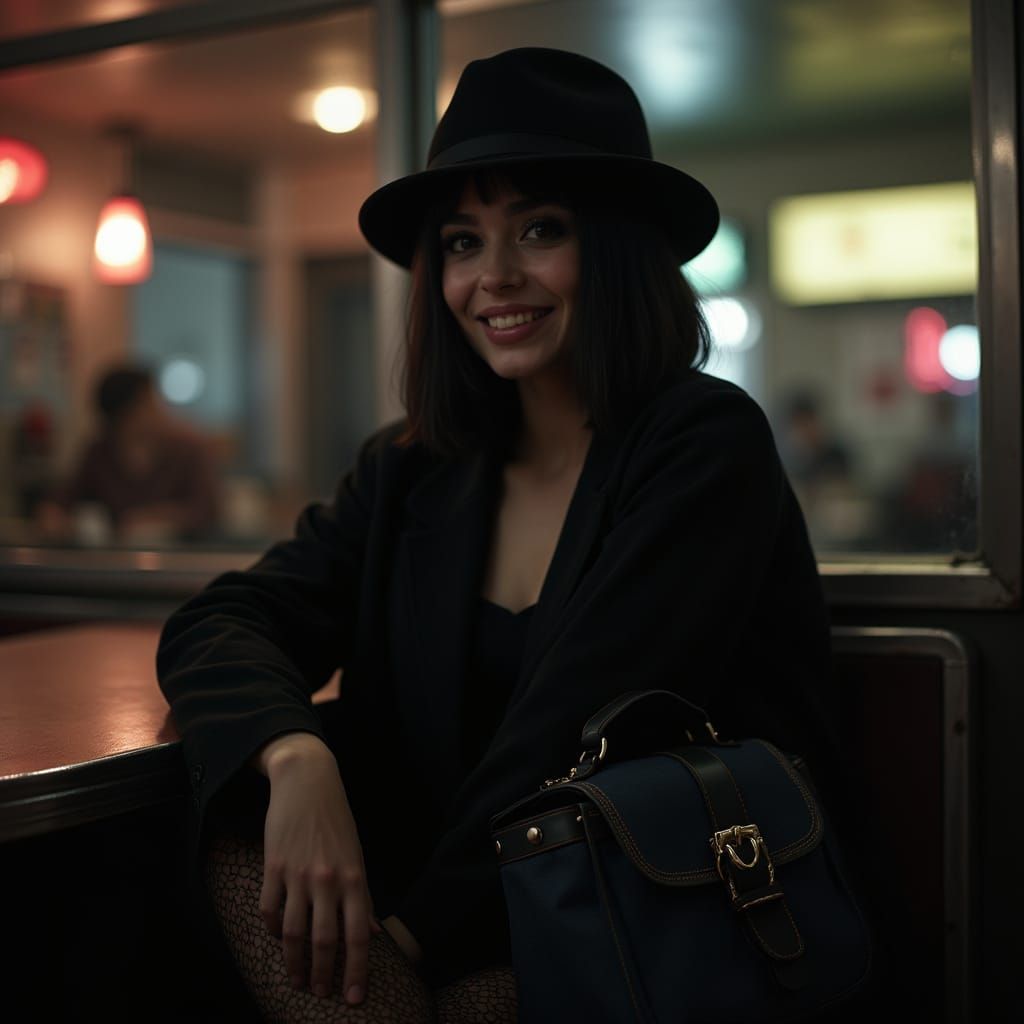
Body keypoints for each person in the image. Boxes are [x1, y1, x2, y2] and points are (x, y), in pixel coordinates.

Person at [157, 48, 839, 1022]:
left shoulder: (703, 442)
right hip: (450, 896)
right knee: (242, 819)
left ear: (617, 245)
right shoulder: (412, 467)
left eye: (540, 229)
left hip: (653, 905)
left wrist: (410, 941)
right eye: (462, 242)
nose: (496, 276)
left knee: (470, 998)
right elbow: (223, 620)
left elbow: (576, 729)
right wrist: (294, 756)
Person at [37, 364, 220, 544]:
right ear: (125, 415)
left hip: (181, 555)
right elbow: (64, 497)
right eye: (148, 403)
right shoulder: (100, 452)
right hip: (113, 557)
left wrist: (156, 517)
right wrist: (53, 515)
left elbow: (206, 509)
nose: (159, 409)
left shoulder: (187, 450)